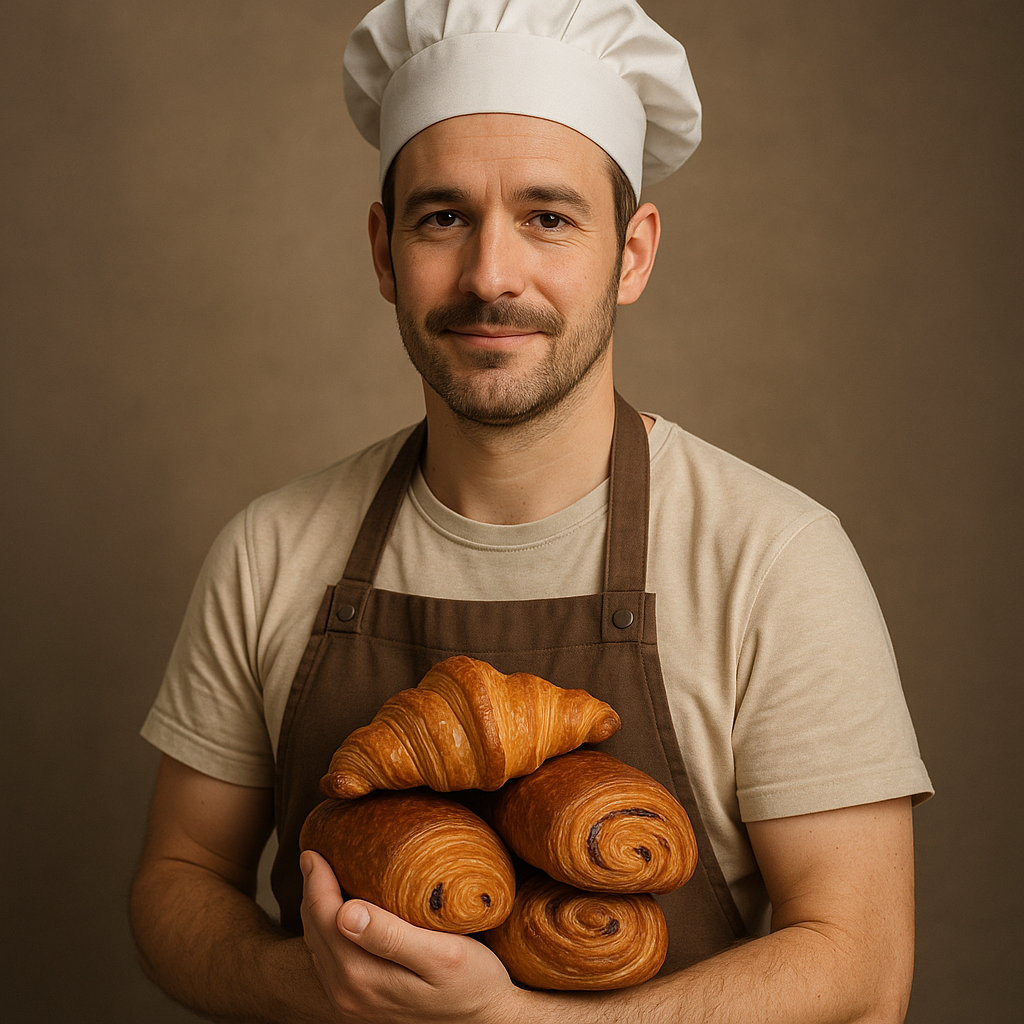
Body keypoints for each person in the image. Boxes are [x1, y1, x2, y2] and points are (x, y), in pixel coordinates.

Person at [129, 1, 933, 1021]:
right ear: (384, 250)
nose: (489, 275)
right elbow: (177, 877)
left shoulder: (771, 557)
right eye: (442, 217)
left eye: (547, 216)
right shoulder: (270, 549)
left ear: (632, 253)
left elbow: (862, 961)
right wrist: (308, 983)